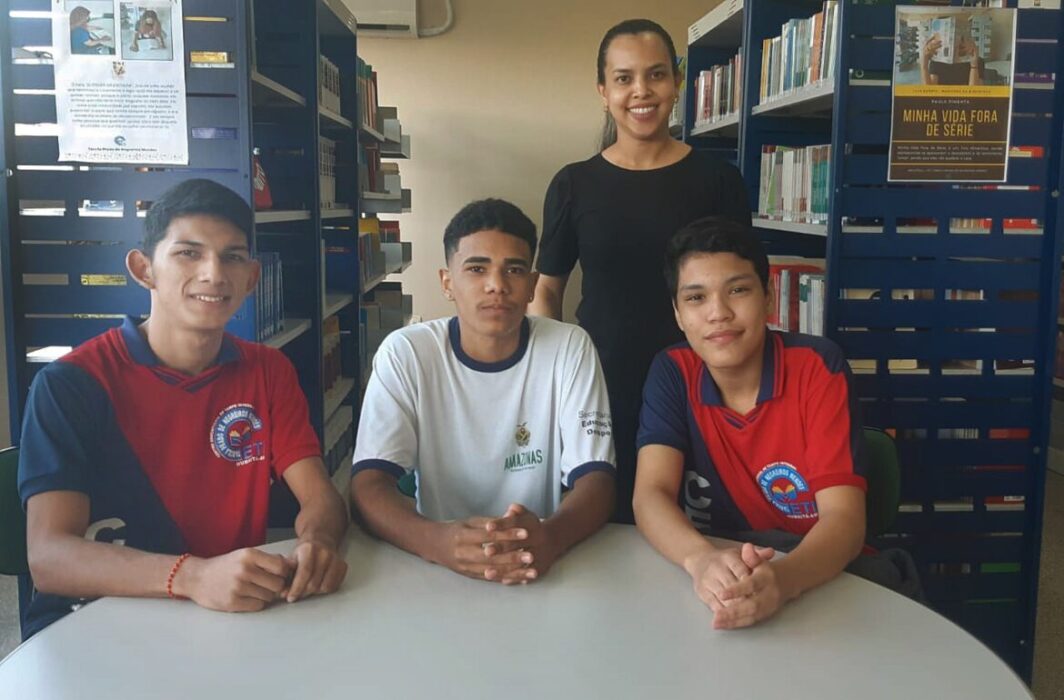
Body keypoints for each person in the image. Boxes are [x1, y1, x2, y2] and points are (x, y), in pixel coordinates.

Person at [18, 179, 348, 638]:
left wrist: (319, 542)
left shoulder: (269, 371)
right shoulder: (71, 384)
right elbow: (50, 557)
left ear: (253, 278)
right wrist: (192, 576)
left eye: (232, 256)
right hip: (92, 622)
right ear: (143, 269)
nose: (214, 273)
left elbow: (320, 497)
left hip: (221, 620)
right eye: (188, 253)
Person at [531, 18, 751, 525]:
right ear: (603, 90)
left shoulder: (719, 180)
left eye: (655, 75)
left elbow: (741, 287)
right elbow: (547, 291)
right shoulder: (574, 184)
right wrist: (560, 378)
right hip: (604, 387)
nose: (641, 92)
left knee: (699, 528)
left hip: (702, 384)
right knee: (607, 529)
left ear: (676, 83)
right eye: (624, 78)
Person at [351, 199, 615, 585]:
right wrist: (439, 541)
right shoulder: (407, 352)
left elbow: (598, 480)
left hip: (539, 562)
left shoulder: (569, 347)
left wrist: (551, 537)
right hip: (435, 565)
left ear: (531, 286)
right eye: (477, 269)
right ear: (447, 282)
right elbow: (367, 485)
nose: (497, 285)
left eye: (515, 270)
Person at [633, 217, 868, 630]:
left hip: (816, 581)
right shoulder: (673, 370)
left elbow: (845, 520)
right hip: (717, 584)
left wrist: (783, 580)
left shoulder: (817, 366)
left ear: (769, 296)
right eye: (696, 298)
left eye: (738, 290)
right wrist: (700, 559)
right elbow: (650, 494)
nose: (718, 314)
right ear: (677, 313)